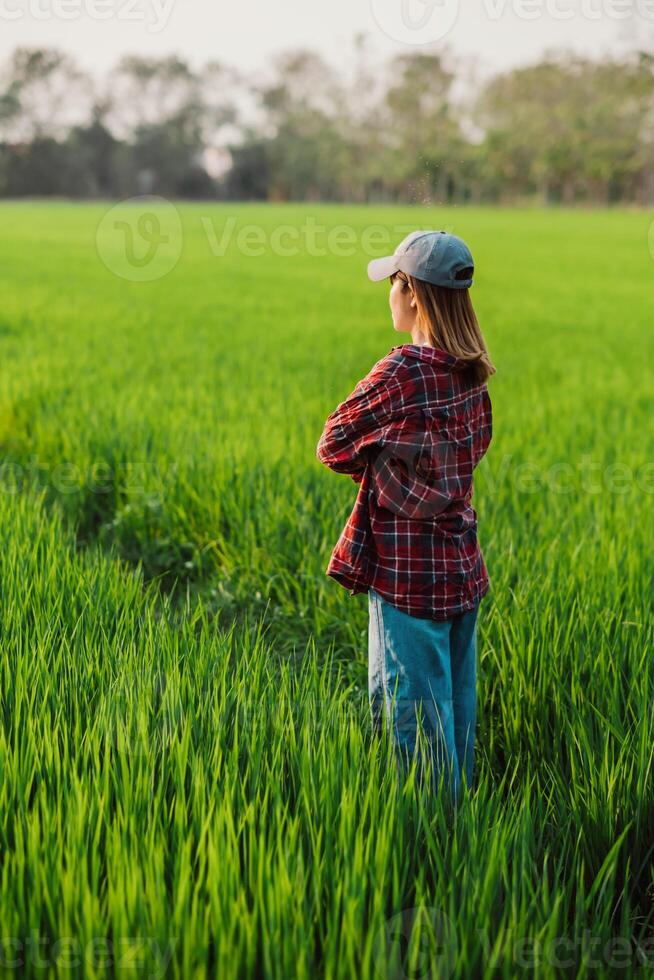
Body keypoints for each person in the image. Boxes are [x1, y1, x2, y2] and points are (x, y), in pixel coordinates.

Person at [316, 230, 496, 807]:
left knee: (413, 728)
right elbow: (469, 452)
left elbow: (334, 442)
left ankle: (429, 849)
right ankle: (461, 832)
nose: (388, 295)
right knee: (455, 717)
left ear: (413, 292)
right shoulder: (473, 371)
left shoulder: (403, 370)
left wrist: (387, 468)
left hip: (406, 574)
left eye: (393, 283)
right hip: (461, 569)